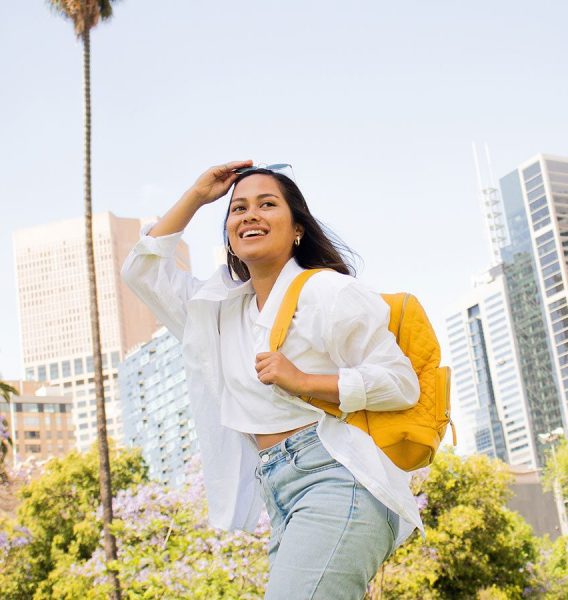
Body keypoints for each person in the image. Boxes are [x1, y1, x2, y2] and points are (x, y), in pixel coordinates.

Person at [120, 160, 424, 599]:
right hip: (279, 491)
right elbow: (141, 271)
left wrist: (303, 380)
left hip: (338, 476)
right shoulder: (218, 310)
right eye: (238, 209)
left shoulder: (326, 291)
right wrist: (198, 195)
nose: (250, 215)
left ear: (296, 226)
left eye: (267, 204)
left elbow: (400, 383)